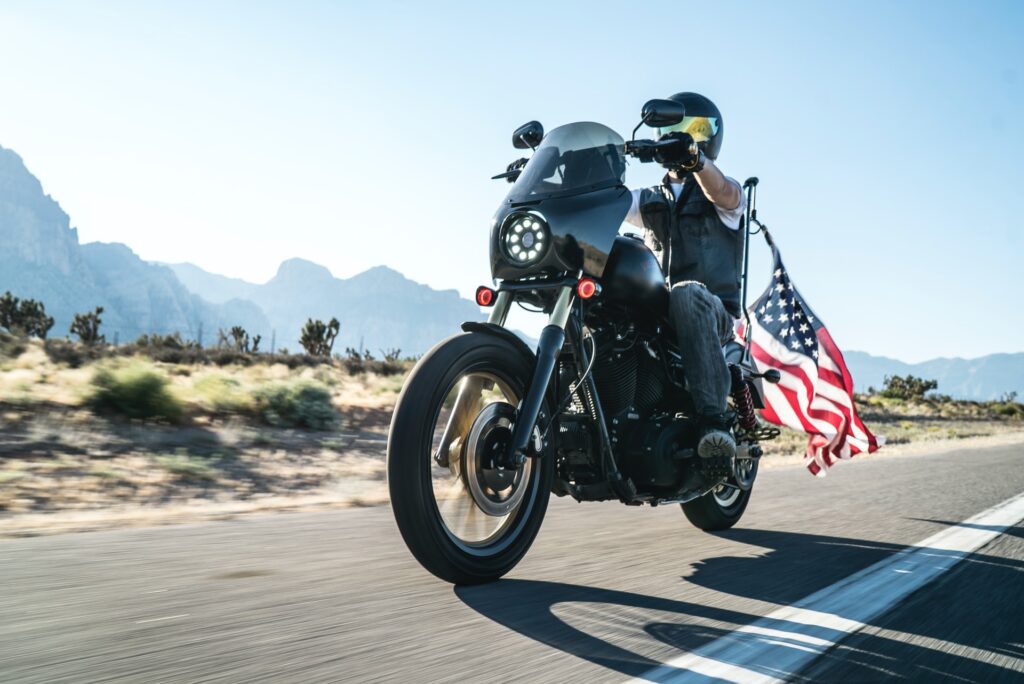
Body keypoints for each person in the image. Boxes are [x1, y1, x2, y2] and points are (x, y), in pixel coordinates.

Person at [624, 92, 745, 471]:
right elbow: (603, 201)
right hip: (661, 314)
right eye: (671, 128)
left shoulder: (725, 196)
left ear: (705, 136)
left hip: (712, 315)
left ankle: (714, 424)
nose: (676, 134)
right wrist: (556, 177)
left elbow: (723, 192)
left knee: (686, 292)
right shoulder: (649, 200)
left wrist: (695, 160)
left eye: (689, 130)